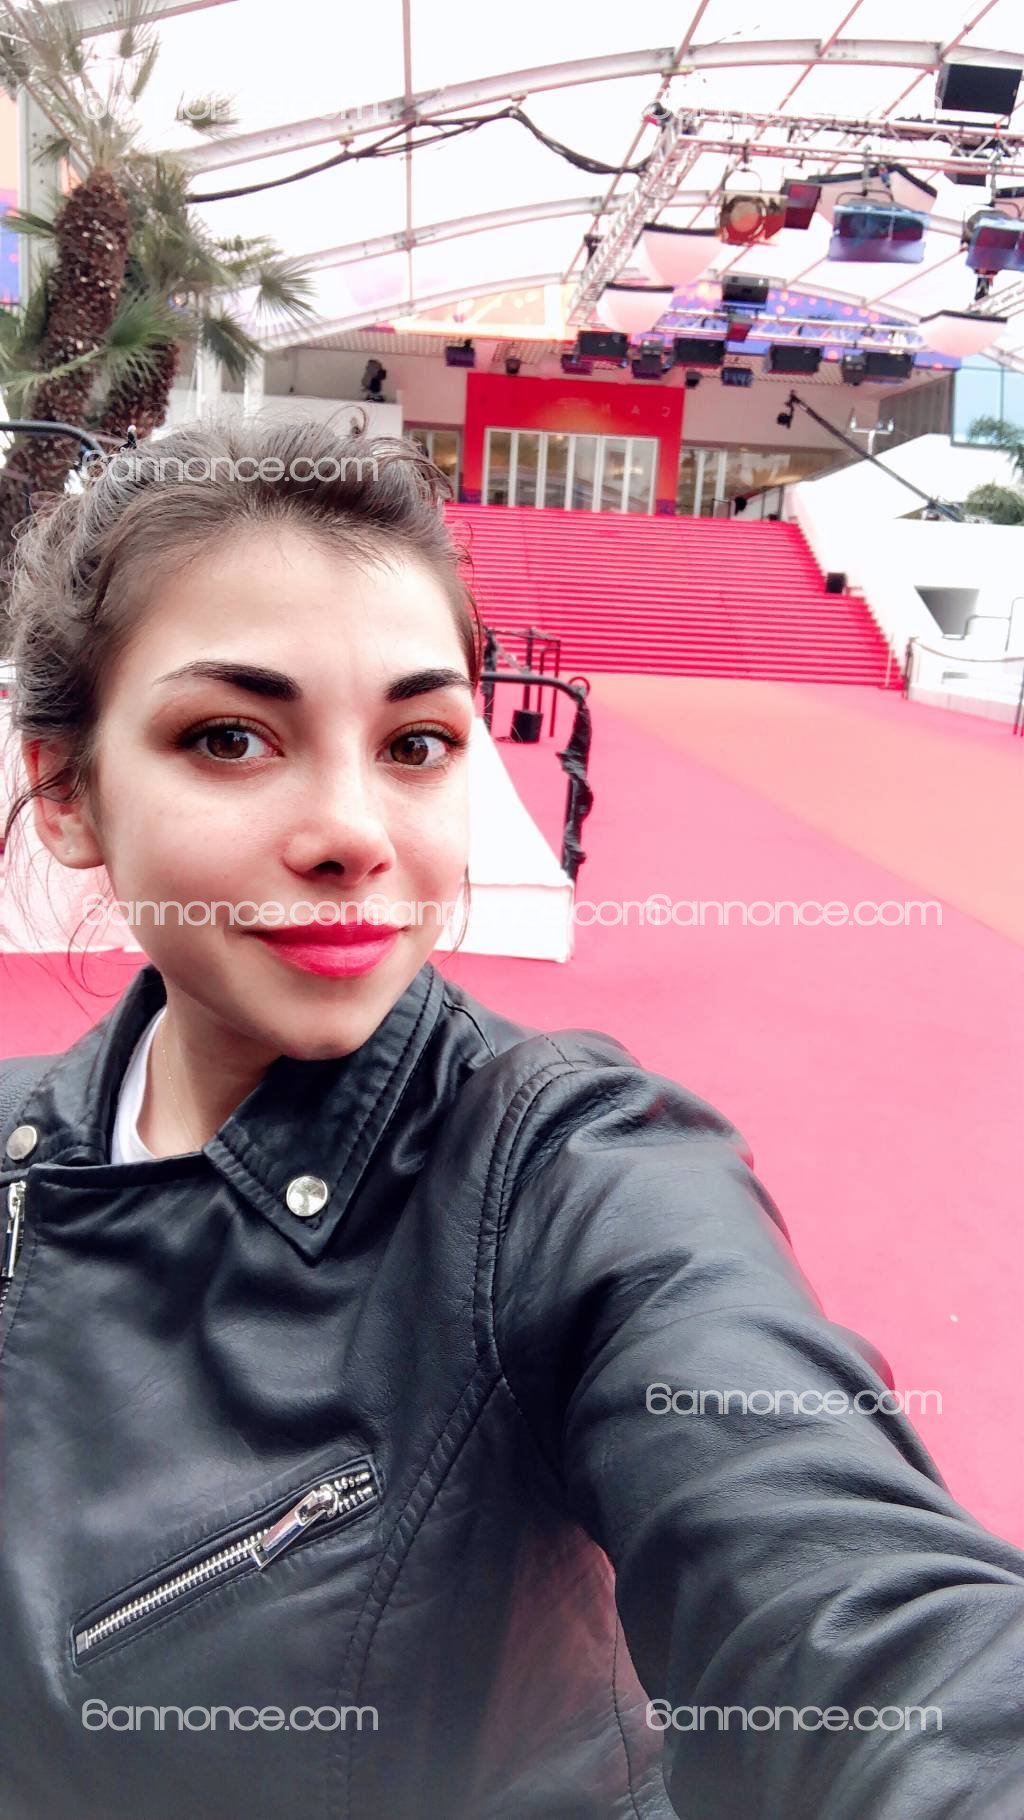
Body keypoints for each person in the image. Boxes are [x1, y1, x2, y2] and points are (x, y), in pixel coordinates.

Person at [0, 418, 1022, 1820]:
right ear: (66, 790)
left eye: (417, 743)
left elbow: (859, 1607)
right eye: (232, 738)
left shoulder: (566, 1168)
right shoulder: (19, 1141)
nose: (357, 832)